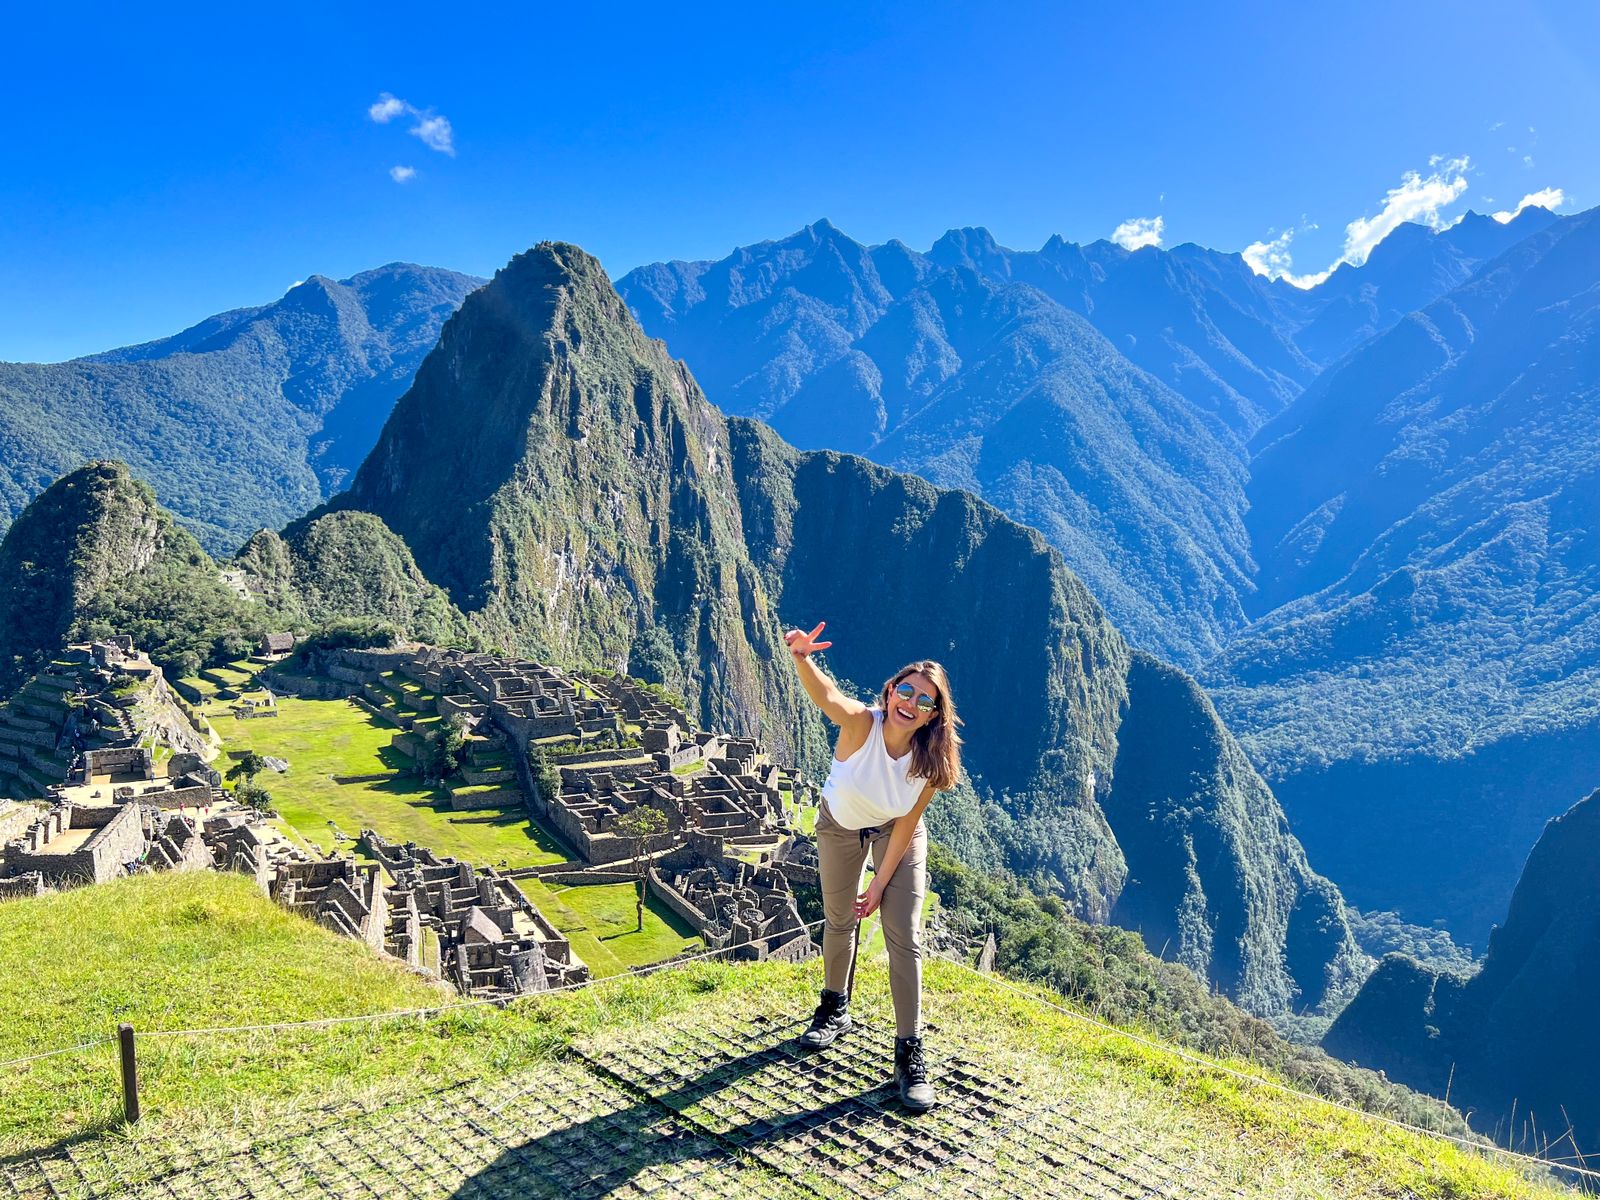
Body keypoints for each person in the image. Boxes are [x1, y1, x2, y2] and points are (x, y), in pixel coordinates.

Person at [783, 620, 964, 1112]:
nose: (911, 703)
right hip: (840, 825)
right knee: (839, 919)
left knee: (904, 934)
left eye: (925, 700)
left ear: (932, 715)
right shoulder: (862, 724)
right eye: (905, 691)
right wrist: (802, 658)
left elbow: (907, 823)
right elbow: (831, 699)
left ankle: (910, 1050)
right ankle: (834, 1006)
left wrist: (881, 883)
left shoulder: (931, 760)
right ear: (889, 693)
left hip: (894, 831)